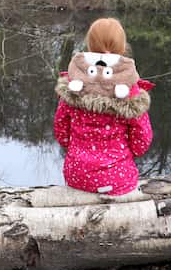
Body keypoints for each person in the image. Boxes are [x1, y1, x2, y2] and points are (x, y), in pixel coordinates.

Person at [53, 18, 153, 195]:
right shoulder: (130, 90)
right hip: (119, 178)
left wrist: (76, 149)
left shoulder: (74, 85)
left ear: (90, 45)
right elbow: (141, 141)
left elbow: (61, 131)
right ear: (122, 48)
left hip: (78, 176)